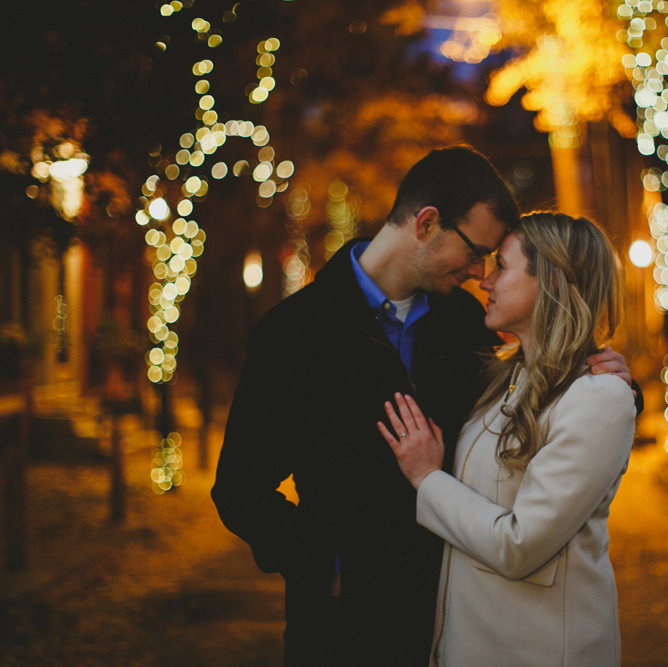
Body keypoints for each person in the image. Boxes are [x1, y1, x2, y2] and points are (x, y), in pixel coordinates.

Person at [211, 147, 634, 666]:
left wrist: (606, 379)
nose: (481, 272)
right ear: (428, 223)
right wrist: (324, 564)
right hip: (342, 631)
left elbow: (537, 397)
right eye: (478, 251)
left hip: (448, 622)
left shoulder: (463, 324)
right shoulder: (295, 333)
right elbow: (238, 488)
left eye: (494, 259)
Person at [379, 212, 637, 666]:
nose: (485, 281)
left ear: (552, 282)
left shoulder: (598, 397)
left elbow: (519, 547)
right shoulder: (503, 381)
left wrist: (427, 477)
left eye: (502, 265)